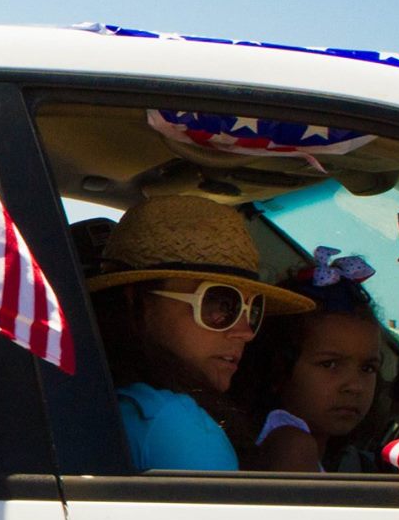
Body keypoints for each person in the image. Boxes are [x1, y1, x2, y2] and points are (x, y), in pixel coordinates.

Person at [87, 195, 315, 471]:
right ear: (137, 301)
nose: (245, 332)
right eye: (220, 304)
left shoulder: (109, 400)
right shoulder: (172, 420)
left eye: (253, 309)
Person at [233, 249, 384, 472]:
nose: (355, 386)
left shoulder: (311, 448)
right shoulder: (291, 446)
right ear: (278, 368)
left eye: (368, 368)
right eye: (330, 364)